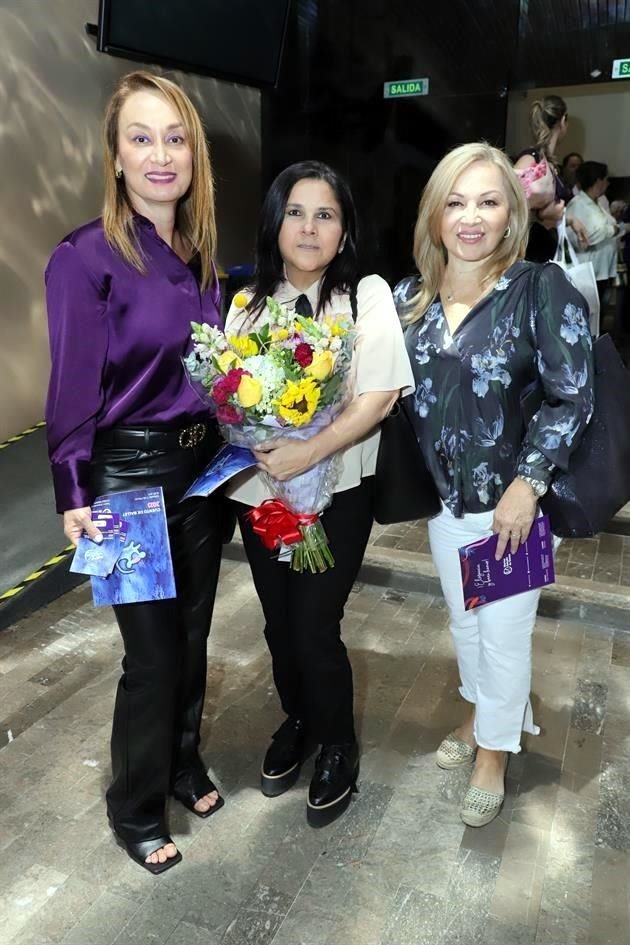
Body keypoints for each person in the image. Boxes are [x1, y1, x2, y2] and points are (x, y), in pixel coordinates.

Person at [45, 72, 226, 873]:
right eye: (141, 138)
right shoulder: (85, 257)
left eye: (175, 138)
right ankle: (134, 802)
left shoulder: (202, 254)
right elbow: (71, 386)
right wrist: (73, 491)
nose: (161, 155)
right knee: (149, 656)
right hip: (123, 480)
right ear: (114, 156)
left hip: (198, 470)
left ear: (195, 154)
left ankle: (182, 763)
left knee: (192, 638)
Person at [400, 142, 594, 827]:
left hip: (512, 508)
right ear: (435, 214)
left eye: (487, 201)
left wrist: (529, 482)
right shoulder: (409, 300)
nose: (471, 217)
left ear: (511, 212)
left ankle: (493, 751)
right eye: (456, 202)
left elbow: (574, 395)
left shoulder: (537, 289)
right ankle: (485, 710)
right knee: (465, 624)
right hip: (445, 504)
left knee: (504, 632)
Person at [225, 160, 414, 828]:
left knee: (314, 622)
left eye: (325, 214)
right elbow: (229, 393)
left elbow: (380, 396)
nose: (309, 227)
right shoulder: (246, 302)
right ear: (275, 221)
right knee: (278, 621)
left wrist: (308, 449)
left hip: (338, 492)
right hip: (263, 495)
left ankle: (338, 741)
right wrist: (254, 440)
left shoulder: (365, 295)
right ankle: (299, 717)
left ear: (344, 228)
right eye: (296, 212)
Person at [514, 95, 587, 260]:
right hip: (528, 253)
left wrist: (570, 219)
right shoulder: (532, 158)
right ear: (563, 121)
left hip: (542, 250)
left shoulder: (548, 161)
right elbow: (508, 204)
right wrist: (542, 216)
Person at [566, 161, 620, 309]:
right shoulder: (578, 204)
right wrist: (612, 230)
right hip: (589, 272)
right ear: (598, 181)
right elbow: (583, 237)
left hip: (602, 270)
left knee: (600, 314)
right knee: (589, 315)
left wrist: (618, 229)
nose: (608, 183)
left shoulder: (597, 204)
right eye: (606, 179)